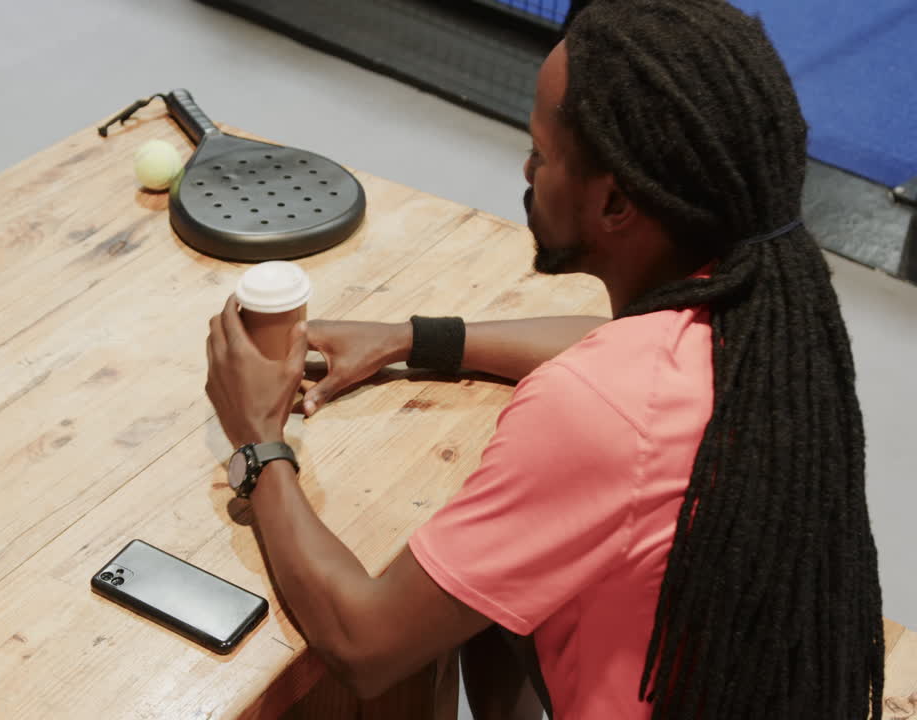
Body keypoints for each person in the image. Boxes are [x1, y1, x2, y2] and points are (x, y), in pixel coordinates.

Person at [204, 0, 884, 717]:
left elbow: (366, 644)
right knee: (495, 601)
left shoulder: (600, 407)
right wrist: (413, 337)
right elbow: (603, 361)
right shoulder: (762, 312)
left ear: (616, 201)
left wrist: (258, 440)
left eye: (542, 152)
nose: (525, 166)